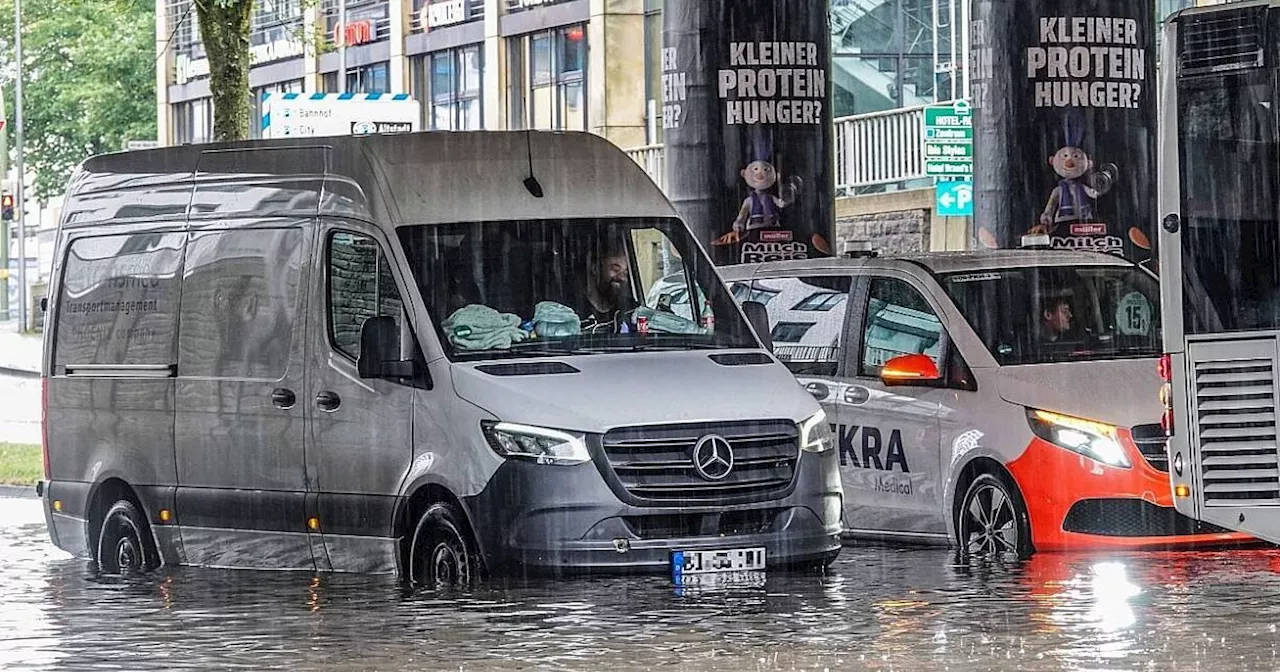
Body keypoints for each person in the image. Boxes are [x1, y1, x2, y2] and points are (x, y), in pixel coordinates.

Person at [577, 241, 633, 332]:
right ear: (595, 269)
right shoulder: (572, 312)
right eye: (615, 270)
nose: (623, 278)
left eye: (625, 272)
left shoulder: (630, 310)